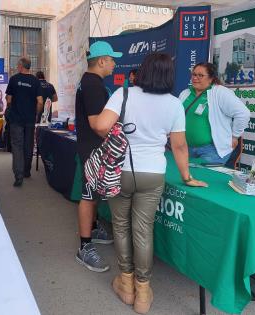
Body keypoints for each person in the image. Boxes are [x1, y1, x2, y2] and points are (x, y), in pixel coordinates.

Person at [92, 53, 207, 314]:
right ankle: (143, 294)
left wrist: (116, 138)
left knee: (121, 226)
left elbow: (100, 125)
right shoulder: (175, 105)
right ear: (169, 75)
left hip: (119, 170)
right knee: (143, 230)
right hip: (153, 173)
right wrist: (187, 177)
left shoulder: (124, 94)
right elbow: (178, 145)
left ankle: (126, 285)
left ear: (142, 72)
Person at [74, 41, 122, 273]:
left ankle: (92, 227)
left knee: (93, 194)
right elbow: (97, 124)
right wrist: (121, 139)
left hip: (94, 148)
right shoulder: (92, 84)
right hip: (94, 150)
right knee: (89, 196)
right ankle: (84, 247)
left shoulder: (91, 82)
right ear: (102, 60)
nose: (114, 64)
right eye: (112, 59)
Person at [179, 62, 250, 165]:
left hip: (212, 150)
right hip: (186, 148)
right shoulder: (185, 93)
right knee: (184, 177)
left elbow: (243, 113)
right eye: (194, 74)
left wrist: (235, 136)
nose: (195, 78)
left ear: (211, 78)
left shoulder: (220, 93)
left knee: (202, 177)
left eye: (200, 75)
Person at [5, 57, 43, 187]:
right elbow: (40, 102)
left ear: (21, 66)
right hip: (30, 119)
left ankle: (18, 176)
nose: (17, 66)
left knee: (17, 146)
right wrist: (36, 114)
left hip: (16, 119)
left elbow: (9, 100)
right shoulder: (35, 81)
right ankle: (27, 171)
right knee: (28, 145)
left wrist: (11, 107)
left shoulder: (14, 79)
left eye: (18, 65)